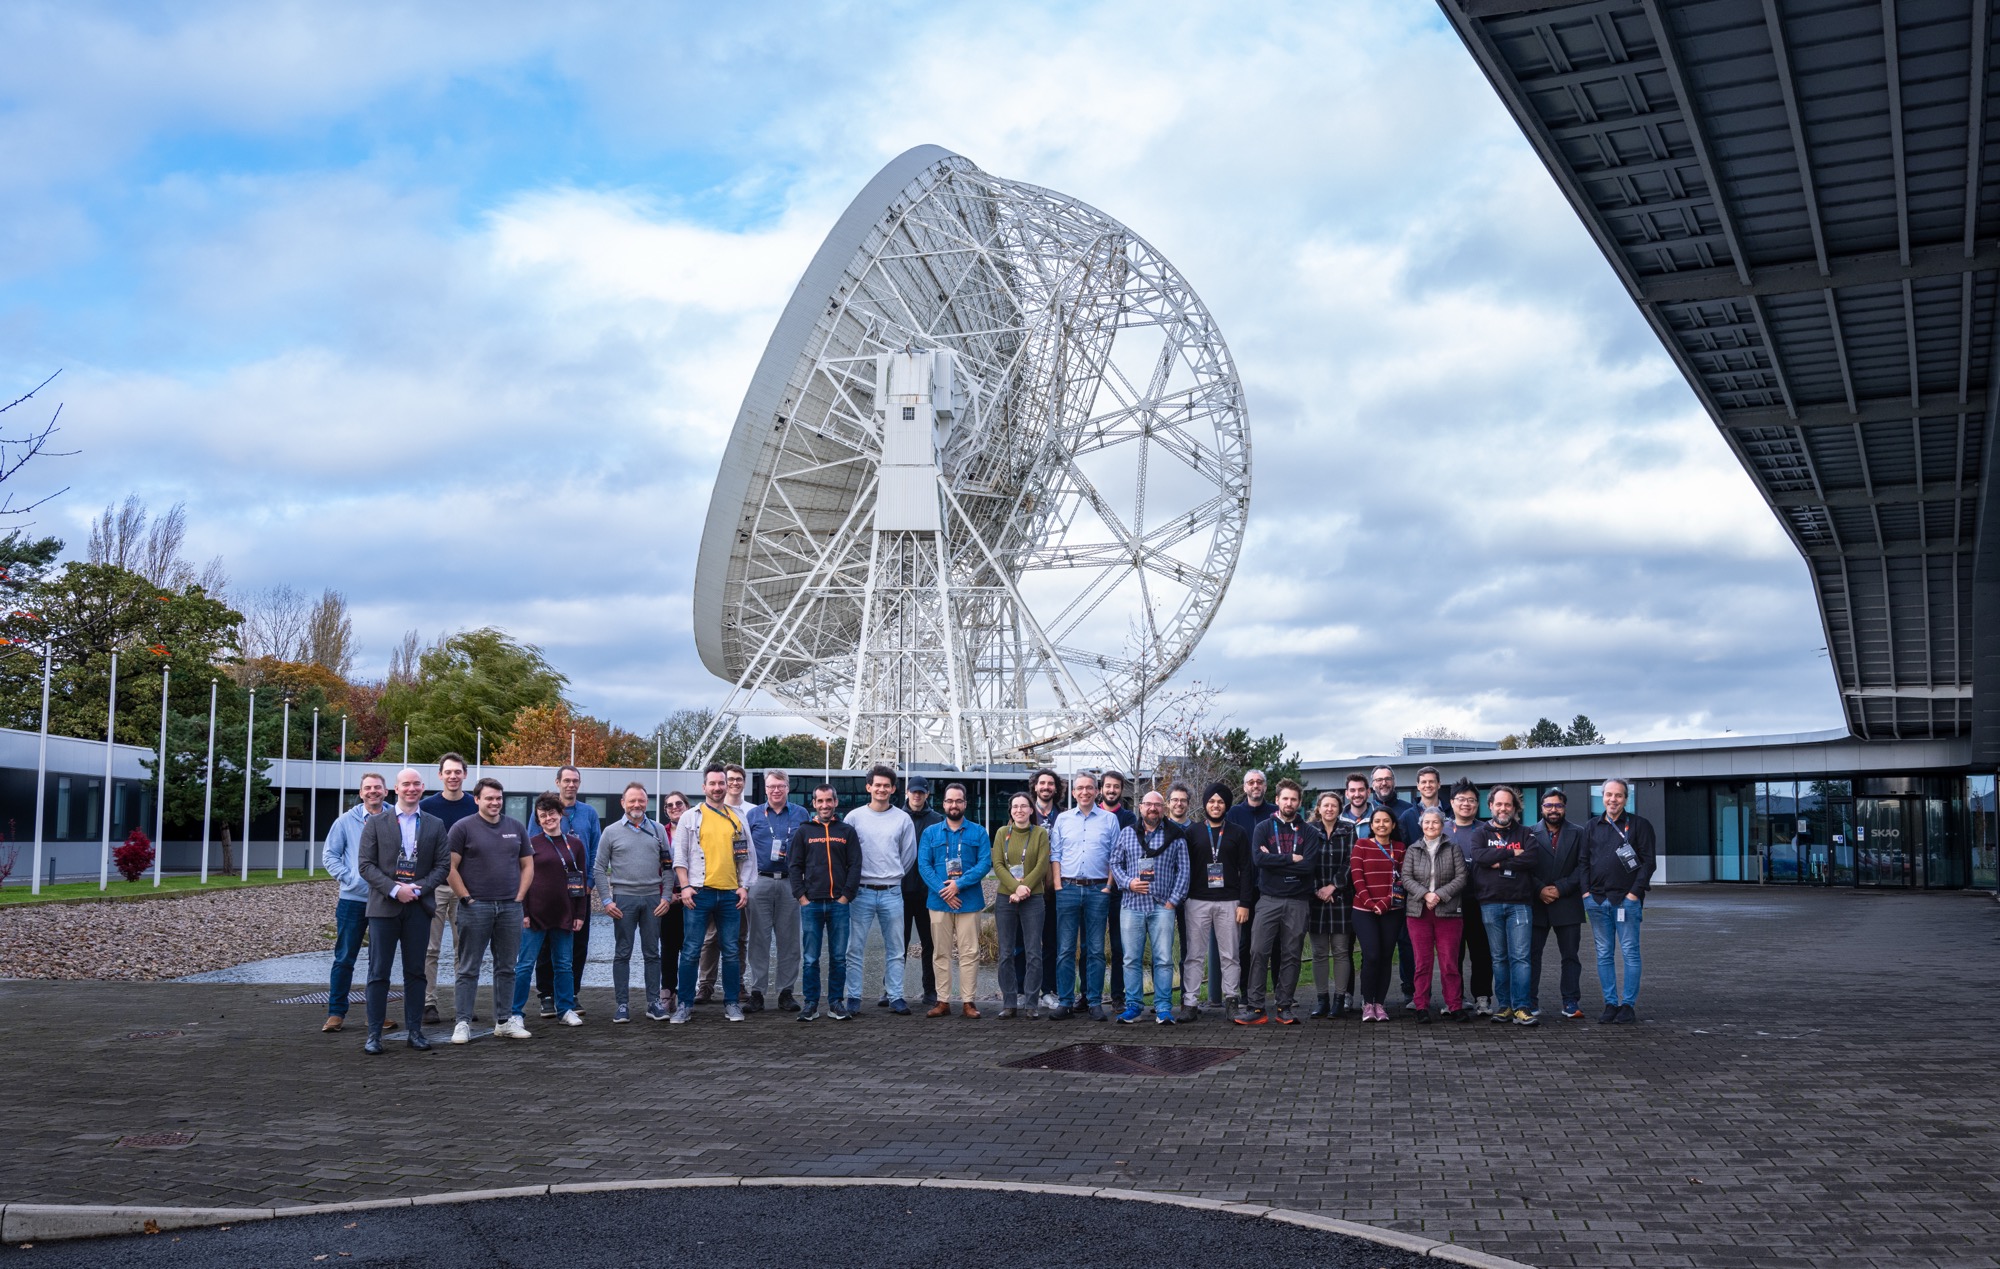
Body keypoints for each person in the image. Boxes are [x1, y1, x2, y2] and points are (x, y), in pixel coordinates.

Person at [355, 768, 449, 1054]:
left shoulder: (435, 824)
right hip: (384, 907)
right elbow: (365, 865)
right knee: (378, 972)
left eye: (416, 784)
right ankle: (374, 1035)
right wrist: (395, 890)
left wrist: (418, 888)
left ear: (422, 788)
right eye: (406, 784)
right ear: (395, 789)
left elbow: (443, 865)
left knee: (416, 972)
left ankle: (415, 1032)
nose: (411, 788)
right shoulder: (375, 822)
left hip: (418, 907)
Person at [444, 777, 533, 1043]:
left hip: (509, 908)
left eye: (498, 798)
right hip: (476, 907)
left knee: (507, 967)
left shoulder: (515, 827)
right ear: (477, 800)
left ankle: (504, 1021)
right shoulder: (462, 828)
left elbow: (528, 865)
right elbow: (449, 867)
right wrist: (466, 897)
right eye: (489, 798)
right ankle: (462, 1022)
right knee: (468, 968)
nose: (495, 802)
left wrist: (519, 897)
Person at [670, 764, 753, 1024]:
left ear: (727, 786)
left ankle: (732, 1003)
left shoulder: (737, 818)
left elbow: (747, 856)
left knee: (731, 951)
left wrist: (744, 886)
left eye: (721, 783)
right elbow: (680, 857)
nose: (717, 788)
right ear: (704, 787)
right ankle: (684, 1005)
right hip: (699, 893)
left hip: (729, 894)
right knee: (691, 950)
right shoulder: (690, 817)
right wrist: (685, 887)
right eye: (713, 783)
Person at [1465, 784, 1549, 1026]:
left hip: (1519, 903)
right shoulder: (1480, 833)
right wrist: (1512, 853)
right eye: (1499, 804)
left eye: (1508, 804)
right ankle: (1505, 1006)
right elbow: (1480, 857)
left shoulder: (1526, 833)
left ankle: (1522, 1007)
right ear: (1490, 806)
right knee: (1499, 958)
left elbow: (1531, 858)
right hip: (1490, 903)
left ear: (1515, 808)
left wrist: (1499, 862)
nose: (1503, 808)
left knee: (1520, 957)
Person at [1237, 778, 1316, 1026]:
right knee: (1258, 951)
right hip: (1268, 899)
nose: (1289, 803)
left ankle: (1285, 1007)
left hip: (1298, 901)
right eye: (1285, 798)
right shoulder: (1263, 828)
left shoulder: (1309, 832)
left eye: (1293, 799)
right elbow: (1259, 860)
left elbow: (1309, 866)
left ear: (1299, 802)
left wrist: (1275, 860)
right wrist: (1291, 859)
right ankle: (1256, 1007)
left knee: (1291, 954)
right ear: (1277, 800)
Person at [509, 793, 590, 1031]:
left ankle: (565, 1009)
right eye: (542, 816)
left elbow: (581, 881)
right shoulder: (529, 844)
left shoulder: (575, 845)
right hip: (535, 914)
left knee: (564, 964)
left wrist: (580, 914)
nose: (548, 819)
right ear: (538, 819)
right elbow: (521, 879)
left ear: (560, 814)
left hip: (564, 913)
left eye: (552, 813)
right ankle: (515, 1013)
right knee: (525, 965)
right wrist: (523, 911)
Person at [596, 781, 675, 1024]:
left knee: (652, 953)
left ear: (647, 802)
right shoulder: (610, 832)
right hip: (623, 900)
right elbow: (599, 868)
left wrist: (666, 896)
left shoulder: (658, 830)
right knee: (622, 953)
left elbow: (668, 867)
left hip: (653, 899)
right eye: (632, 800)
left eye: (641, 800)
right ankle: (622, 1005)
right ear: (623, 803)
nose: (637, 804)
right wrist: (606, 900)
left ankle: (654, 1003)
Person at [844, 765, 918, 1016]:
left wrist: (892, 875)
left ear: (893, 789)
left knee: (896, 949)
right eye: (877, 785)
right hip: (861, 892)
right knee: (854, 948)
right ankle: (853, 997)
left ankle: (895, 996)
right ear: (869, 787)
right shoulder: (854, 818)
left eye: (887, 785)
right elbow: (846, 854)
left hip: (892, 892)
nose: (882, 789)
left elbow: (908, 855)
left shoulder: (902, 819)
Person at [1110, 790, 1187, 1025]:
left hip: (1162, 905)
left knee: (1163, 959)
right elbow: (1115, 862)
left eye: (1158, 805)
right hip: (1132, 905)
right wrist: (1128, 883)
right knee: (1131, 959)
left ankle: (1163, 1008)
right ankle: (1133, 1006)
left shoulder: (1175, 835)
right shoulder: (1127, 833)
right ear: (1141, 807)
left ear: (1164, 808)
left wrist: (1173, 900)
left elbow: (1183, 870)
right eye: (1148, 804)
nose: (1153, 808)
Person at [1581, 778, 1655, 1024]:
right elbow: (1583, 862)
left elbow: (1648, 863)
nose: (1613, 799)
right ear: (1602, 797)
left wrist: (1634, 893)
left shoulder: (1639, 825)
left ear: (1626, 798)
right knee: (1603, 954)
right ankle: (1610, 1003)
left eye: (1619, 795)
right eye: (1609, 794)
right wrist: (1586, 893)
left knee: (1630, 953)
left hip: (1626, 901)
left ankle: (1628, 1005)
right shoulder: (1591, 826)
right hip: (1597, 901)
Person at [319, 772, 388, 1033]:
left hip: (385, 900)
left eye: (377, 787)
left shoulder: (396, 818)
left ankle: (376, 1014)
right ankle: (336, 1013)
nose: (373, 791)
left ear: (386, 791)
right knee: (345, 957)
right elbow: (330, 855)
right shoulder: (345, 821)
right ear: (361, 793)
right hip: (353, 900)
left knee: (379, 961)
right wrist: (350, 879)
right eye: (368, 788)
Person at [1050, 771, 1120, 1021]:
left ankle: (1094, 1002)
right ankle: (1065, 1002)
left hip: (1097, 890)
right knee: (1065, 949)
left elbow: (1115, 856)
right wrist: (1058, 886)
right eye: (1080, 788)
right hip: (1068, 888)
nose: (1085, 792)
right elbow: (1055, 854)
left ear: (1097, 791)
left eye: (1089, 787)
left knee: (1096, 950)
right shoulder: (1063, 819)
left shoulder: (1110, 820)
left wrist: (1109, 886)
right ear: (1073, 792)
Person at [920, 783, 991, 1018]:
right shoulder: (930, 833)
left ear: (965, 804)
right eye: (950, 801)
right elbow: (924, 865)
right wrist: (945, 891)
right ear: (943, 804)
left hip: (968, 901)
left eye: (958, 801)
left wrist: (958, 885)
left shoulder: (978, 832)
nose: (954, 805)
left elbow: (984, 863)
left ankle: (968, 1002)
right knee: (940, 953)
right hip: (939, 901)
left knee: (969, 952)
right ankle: (943, 1001)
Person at [790, 782, 860, 1022]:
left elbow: (855, 865)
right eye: (820, 801)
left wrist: (846, 896)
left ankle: (836, 1003)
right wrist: (801, 897)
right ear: (814, 803)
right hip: (811, 904)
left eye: (829, 800)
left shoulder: (847, 831)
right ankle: (810, 1003)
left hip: (838, 904)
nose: (825, 805)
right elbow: (794, 866)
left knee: (839, 958)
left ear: (835, 802)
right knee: (811, 958)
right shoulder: (804, 831)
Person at [536, 765, 602, 1018]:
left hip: (578, 890)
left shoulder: (589, 813)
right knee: (545, 943)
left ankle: (571, 993)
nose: (571, 785)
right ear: (558, 782)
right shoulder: (544, 810)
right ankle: (546, 994)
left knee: (578, 942)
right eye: (566, 780)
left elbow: (595, 849)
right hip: (549, 890)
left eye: (575, 780)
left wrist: (590, 882)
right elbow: (532, 847)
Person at [1181, 782, 1249, 1021]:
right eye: (1211, 801)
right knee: (1194, 955)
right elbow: (1184, 867)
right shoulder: (1192, 832)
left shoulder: (1238, 833)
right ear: (1205, 804)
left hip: (1229, 901)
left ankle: (1232, 1001)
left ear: (1226, 805)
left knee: (1230, 955)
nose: (1216, 805)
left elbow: (1246, 869)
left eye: (1220, 802)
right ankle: (1190, 1003)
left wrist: (1244, 903)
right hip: (1197, 901)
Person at [743, 769, 808, 1013]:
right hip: (760, 881)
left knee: (789, 941)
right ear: (766, 788)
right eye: (771, 786)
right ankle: (757, 992)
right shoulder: (753, 815)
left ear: (787, 788)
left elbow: (807, 848)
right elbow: (743, 850)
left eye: (780, 786)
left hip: (791, 883)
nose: (776, 790)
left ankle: (786, 992)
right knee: (758, 939)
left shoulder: (801, 814)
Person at [419, 753, 477, 1026]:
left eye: (458, 772)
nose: (453, 776)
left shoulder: (475, 805)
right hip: (435, 887)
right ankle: (428, 1003)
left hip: (466, 888)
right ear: (440, 775)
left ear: (465, 774)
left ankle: (462, 1004)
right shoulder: (426, 806)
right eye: (448, 772)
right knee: (429, 949)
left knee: (463, 950)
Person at [695, 763, 755, 1003]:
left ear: (744, 782)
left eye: (739, 779)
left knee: (738, 940)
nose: (733, 783)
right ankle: (705, 986)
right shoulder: (701, 813)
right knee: (709, 939)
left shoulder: (748, 812)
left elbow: (747, 853)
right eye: (729, 779)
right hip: (708, 886)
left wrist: (744, 885)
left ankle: (737, 985)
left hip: (735, 888)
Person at [1399, 807, 1466, 1023]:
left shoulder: (1453, 848)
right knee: (1422, 963)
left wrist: (1439, 895)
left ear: (1442, 825)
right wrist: (1425, 895)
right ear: (1421, 825)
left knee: (1449, 963)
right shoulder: (1412, 849)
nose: (1431, 826)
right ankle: (1421, 1006)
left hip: (1448, 913)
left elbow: (1461, 877)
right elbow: (1406, 878)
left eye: (1435, 822)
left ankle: (1454, 1005)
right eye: (1426, 822)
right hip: (1419, 913)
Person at [989, 792, 1050, 1018]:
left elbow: (1042, 865)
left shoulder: (1040, 833)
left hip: (1033, 899)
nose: (1019, 810)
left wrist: (1024, 889)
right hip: (1006, 899)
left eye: (1024, 806)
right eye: (1015, 807)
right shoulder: (1001, 833)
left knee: (1034, 952)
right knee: (1006, 952)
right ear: (1010, 810)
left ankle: (1031, 1004)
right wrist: (1016, 887)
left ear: (1031, 810)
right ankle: (1009, 1002)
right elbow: (997, 864)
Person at [1529, 789, 1587, 1020]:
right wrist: (1539, 889)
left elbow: (1583, 866)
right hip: (1537, 902)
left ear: (1565, 807)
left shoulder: (1579, 833)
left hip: (1568, 902)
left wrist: (1561, 888)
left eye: (1558, 805)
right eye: (1549, 805)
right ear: (1541, 807)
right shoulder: (1528, 833)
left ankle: (1571, 1001)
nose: (1553, 810)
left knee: (1570, 956)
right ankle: (1530, 1001)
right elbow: (1524, 867)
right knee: (1531, 956)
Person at [1348, 807, 1407, 1023]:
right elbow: (1357, 877)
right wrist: (1371, 903)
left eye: (1386, 821)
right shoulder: (1361, 845)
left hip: (1392, 910)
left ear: (1393, 825)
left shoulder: (1400, 848)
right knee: (1371, 955)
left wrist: (1384, 903)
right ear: (1371, 825)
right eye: (1377, 821)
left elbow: (1402, 879)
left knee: (1385, 956)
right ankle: (1367, 1003)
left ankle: (1379, 1004)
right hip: (1364, 910)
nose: (1382, 825)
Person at [1224, 769, 1275, 1013]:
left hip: (1271, 887)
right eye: (1251, 782)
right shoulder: (1233, 814)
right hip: (1243, 890)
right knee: (1244, 944)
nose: (1255, 786)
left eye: (1259, 782)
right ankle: (1245, 992)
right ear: (1244, 787)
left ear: (1265, 786)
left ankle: (1280, 993)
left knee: (1275, 943)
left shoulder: (1275, 812)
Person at [1445, 778, 1496, 1015]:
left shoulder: (1487, 830)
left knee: (1481, 952)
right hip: (1450, 901)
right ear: (1451, 802)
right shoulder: (1442, 829)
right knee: (1453, 954)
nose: (1466, 804)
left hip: (1480, 900)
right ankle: (1455, 998)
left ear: (1478, 804)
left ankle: (1482, 998)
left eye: (1472, 800)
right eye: (1461, 799)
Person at [1370, 764, 1418, 1010]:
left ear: (1394, 782)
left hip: (1402, 887)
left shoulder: (1407, 812)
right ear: (1373, 784)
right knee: (1374, 946)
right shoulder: (1366, 810)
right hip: (1372, 890)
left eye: (1387, 778)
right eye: (1379, 779)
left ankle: (1410, 991)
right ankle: (1372, 996)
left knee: (1406, 942)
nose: (1383, 783)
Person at [1305, 791, 1355, 1019]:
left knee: (1341, 951)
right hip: (1315, 899)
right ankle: (1322, 1000)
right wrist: (1318, 889)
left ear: (1339, 809)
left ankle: (1339, 1000)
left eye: (1334, 805)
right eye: (1325, 805)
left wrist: (1333, 887)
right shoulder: (1308, 830)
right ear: (1319, 808)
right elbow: (1305, 862)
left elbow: (1351, 862)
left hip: (1340, 898)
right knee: (1319, 952)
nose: (1329, 809)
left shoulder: (1348, 829)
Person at [899, 775, 946, 1009]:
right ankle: (892, 990)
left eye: (921, 792)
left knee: (930, 944)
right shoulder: (896, 817)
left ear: (927, 794)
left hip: (928, 894)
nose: (917, 795)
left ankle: (930, 990)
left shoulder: (937, 820)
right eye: (913, 791)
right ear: (907, 792)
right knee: (898, 944)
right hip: (900, 892)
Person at [1027, 767, 1064, 1011]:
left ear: (1056, 788)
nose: (1046, 787)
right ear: (1035, 787)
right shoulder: (1024, 812)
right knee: (1024, 943)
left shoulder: (1065, 816)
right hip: (1028, 888)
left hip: (1054, 889)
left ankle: (1049, 990)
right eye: (1042, 783)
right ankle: (1023, 991)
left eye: (1051, 784)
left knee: (1052, 942)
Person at [655, 792, 690, 1016]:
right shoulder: (660, 833)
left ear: (687, 806)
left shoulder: (696, 829)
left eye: (679, 803)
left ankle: (686, 993)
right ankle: (667, 993)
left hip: (692, 897)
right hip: (667, 898)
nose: (674, 807)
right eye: (669, 805)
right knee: (668, 948)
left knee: (690, 948)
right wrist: (667, 895)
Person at [1396, 766, 1449, 845]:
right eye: (1424, 782)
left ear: (1439, 784)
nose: (1427, 785)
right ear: (1418, 786)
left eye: (1431, 781)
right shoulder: (1407, 817)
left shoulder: (1451, 813)